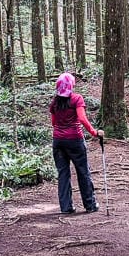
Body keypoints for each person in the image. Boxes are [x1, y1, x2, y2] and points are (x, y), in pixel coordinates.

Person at [49, 72, 102, 214]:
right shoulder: (76, 99)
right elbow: (82, 119)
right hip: (75, 141)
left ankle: (66, 207)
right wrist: (94, 132)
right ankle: (90, 205)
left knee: (63, 174)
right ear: (71, 85)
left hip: (58, 142)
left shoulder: (54, 102)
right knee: (83, 171)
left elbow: (54, 122)